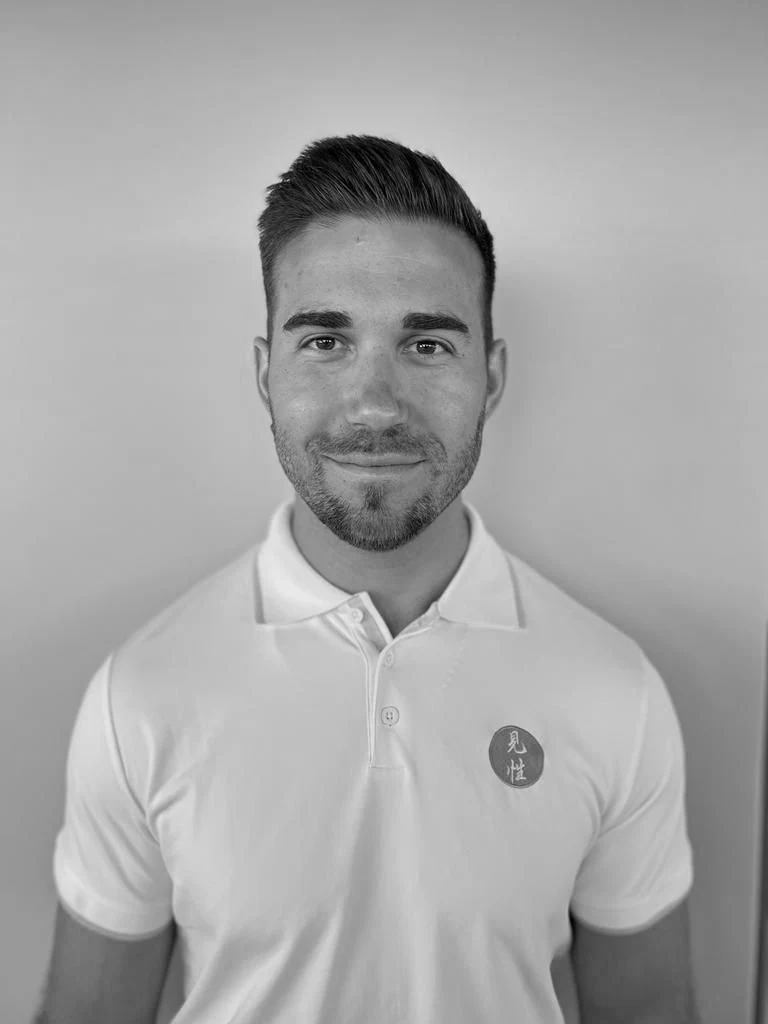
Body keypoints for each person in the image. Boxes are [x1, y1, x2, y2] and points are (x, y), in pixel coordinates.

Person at [35, 134, 700, 1024]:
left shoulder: (615, 691)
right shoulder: (140, 696)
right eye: (325, 340)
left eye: (426, 344)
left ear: (491, 376)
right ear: (265, 373)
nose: (376, 403)